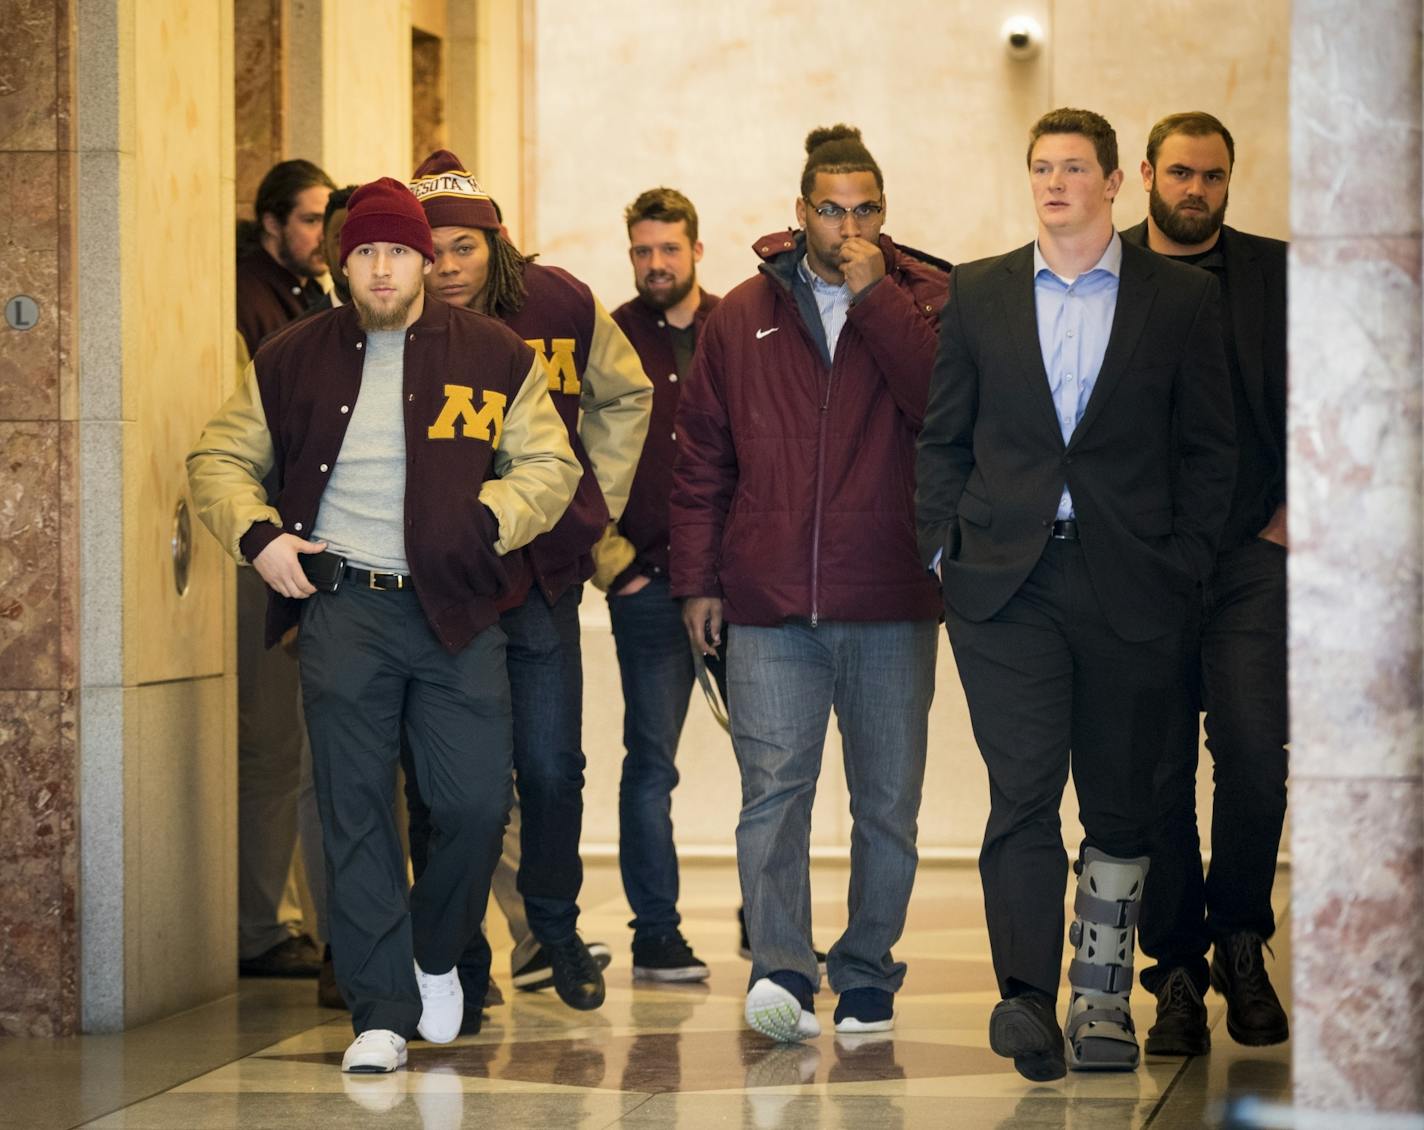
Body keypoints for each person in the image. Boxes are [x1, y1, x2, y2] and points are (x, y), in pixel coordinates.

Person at [188, 177, 581, 1072]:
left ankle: (436, 953)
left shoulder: (495, 355)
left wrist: (488, 521)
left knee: (478, 803)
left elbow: (549, 467)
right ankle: (378, 1012)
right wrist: (260, 539)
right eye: (364, 250)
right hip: (342, 609)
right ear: (343, 261)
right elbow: (218, 456)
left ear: (425, 260)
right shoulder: (290, 357)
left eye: (398, 250)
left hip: (456, 608)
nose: (381, 267)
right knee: (355, 811)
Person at [915, 107, 1235, 1079]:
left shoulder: (1176, 299)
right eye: (1040, 167)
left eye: (1072, 168)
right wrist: (941, 549)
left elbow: (1210, 451)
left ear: (1113, 182)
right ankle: (1023, 1000)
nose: (1053, 183)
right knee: (1019, 796)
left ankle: (1100, 999)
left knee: (1119, 803)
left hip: (1130, 586)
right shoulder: (977, 292)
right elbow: (941, 438)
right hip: (1003, 587)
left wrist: (1180, 563)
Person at [671, 125, 949, 1043]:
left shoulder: (927, 302)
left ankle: (868, 971)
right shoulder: (740, 316)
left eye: (866, 209)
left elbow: (944, 414)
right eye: (831, 209)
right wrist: (698, 582)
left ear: (885, 214)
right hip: (768, 605)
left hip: (890, 596)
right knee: (773, 795)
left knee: (887, 803)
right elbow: (702, 460)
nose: (849, 226)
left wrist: (879, 305)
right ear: (801, 213)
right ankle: (782, 966)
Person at [405, 150, 652, 1014]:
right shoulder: (393, 318)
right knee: (454, 785)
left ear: (497, 244)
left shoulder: (564, 304)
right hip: (442, 590)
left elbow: (628, 397)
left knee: (552, 770)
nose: (444, 268)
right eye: (429, 248)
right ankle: (460, 957)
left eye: (463, 248)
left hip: (541, 578)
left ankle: (552, 930)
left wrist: (594, 503)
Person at [1123, 111, 1290, 1055]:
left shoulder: (1277, 273)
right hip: (1142, 564)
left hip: (1247, 559)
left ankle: (1240, 939)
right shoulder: (1107, 274)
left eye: (1213, 177)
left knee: (1256, 760)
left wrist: (1289, 521)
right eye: (1180, 173)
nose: (1196, 191)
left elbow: (1342, 396)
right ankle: (1176, 969)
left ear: (1231, 181)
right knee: (1156, 776)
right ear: (1146, 173)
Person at [599, 186, 719, 981]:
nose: (654, 265)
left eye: (668, 249)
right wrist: (612, 562)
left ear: (697, 250)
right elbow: (572, 453)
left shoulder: (740, 325)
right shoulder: (608, 336)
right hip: (645, 584)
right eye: (642, 251)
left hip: (738, 585)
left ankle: (773, 928)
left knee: (778, 763)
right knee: (650, 762)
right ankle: (655, 932)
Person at [233, 158, 336, 980]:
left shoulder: (320, 297)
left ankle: (294, 920)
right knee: (273, 750)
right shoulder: (249, 298)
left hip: (319, 547)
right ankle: (261, 927)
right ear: (270, 223)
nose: (320, 235)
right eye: (307, 219)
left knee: (303, 753)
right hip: (267, 546)